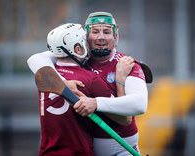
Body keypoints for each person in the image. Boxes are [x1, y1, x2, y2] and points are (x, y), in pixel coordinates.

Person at [27, 12, 149, 156]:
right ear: (86, 37)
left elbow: (139, 104)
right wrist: (62, 83)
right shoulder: (77, 56)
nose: (101, 37)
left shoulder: (127, 64)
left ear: (115, 37)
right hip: (87, 148)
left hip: (122, 148)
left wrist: (96, 102)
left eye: (107, 32)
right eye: (95, 31)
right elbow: (35, 59)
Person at [34, 23, 119, 156]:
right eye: (84, 43)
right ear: (78, 49)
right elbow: (123, 118)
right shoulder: (91, 79)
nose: (88, 47)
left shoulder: (46, 76)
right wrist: (121, 80)